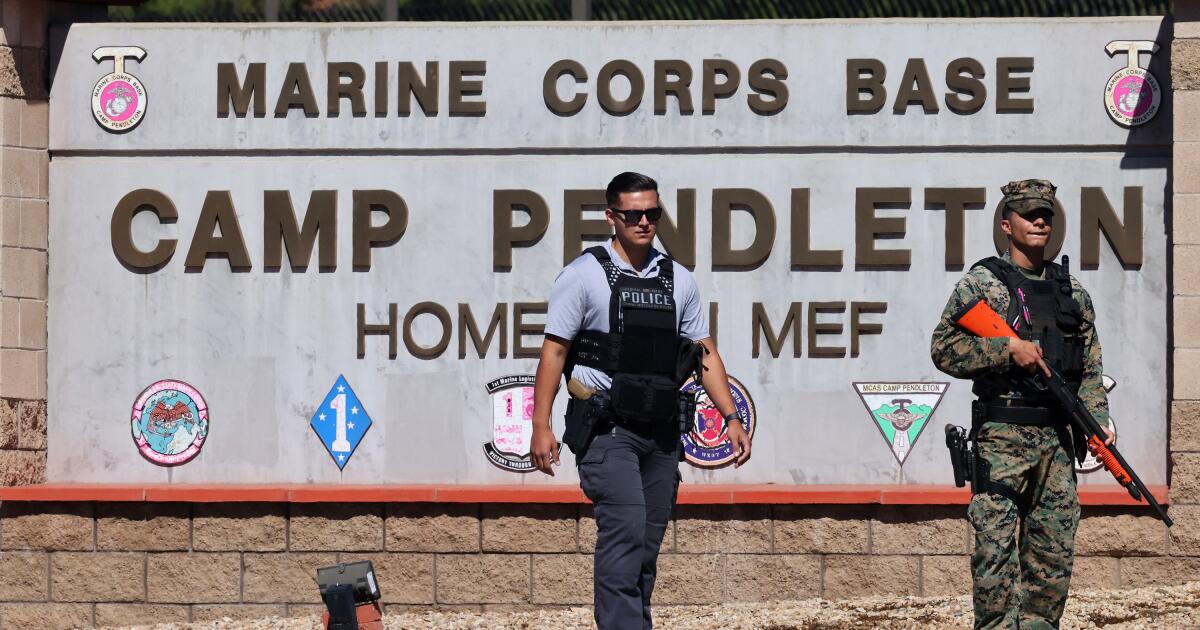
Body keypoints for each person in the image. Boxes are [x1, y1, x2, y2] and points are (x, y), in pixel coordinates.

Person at [530, 171, 751, 630]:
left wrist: (730, 415)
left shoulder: (679, 280)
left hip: (662, 433)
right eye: (633, 214)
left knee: (645, 549)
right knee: (625, 534)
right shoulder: (582, 276)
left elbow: (704, 353)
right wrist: (541, 425)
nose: (644, 222)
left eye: (652, 213)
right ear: (611, 216)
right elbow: (554, 352)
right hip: (608, 430)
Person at [930, 179, 1115, 629]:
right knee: (994, 558)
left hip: (1056, 441)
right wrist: (1005, 350)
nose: (1039, 222)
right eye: (1029, 214)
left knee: (1052, 560)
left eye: (1045, 215)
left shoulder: (1072, 293)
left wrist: (1099, 423)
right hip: (1002, 440)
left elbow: (1089, 369)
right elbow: (943, 349)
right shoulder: (983, 284)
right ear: (1006, 224)